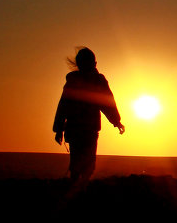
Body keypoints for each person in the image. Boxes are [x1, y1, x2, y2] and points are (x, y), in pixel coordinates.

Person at [52, 47, 124, 184]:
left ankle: (77, 187)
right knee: (86, 163)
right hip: (86, 129)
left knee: (79, 162)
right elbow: (108, 103)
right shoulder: (96, 81)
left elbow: (63, 105)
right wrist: (116, 121)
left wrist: (59, 129)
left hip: (78, 129)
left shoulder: (76, 81)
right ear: (94, 63)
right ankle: (80, 189)